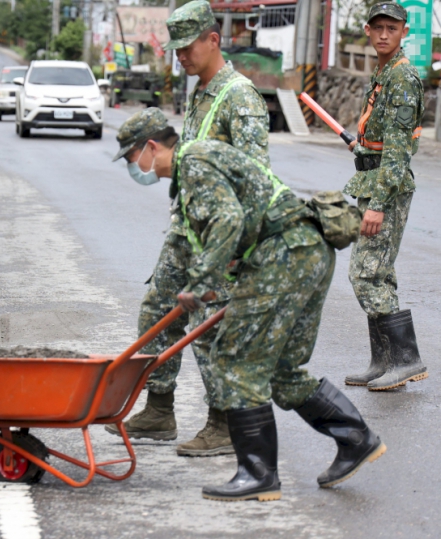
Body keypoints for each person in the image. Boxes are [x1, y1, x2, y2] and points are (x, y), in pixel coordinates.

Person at [122, 125, 385, 502]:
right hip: (306, 251)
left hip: (285, 255)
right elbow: (238, 223)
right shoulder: (199, 163)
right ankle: (356, 438)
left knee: (236, 359)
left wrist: (199, 284)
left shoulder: (192, 161)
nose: (139, 168)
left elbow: (227, 220)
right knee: (282, 372)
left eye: (135, 159)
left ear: (151, 147)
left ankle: (258, 474)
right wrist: (221, 279)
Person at [106, 0, 270, 459]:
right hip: (187, 227)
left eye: (187, 47)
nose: (180, 57)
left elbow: (256, 176)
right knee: (157, 310)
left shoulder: (240, 96)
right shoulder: (201, 93)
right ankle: (160, 409)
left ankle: (222, 423)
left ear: (213, 39)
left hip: (220, 233)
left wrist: (238, 248)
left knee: (207, 327)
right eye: (175, 49)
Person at [343, 1, 427, 391]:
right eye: (377, 27)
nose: (383, 34)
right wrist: (361, 147)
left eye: (391, 28)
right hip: (373, 177)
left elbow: (398, 148)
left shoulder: (402, 76)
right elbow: (380, 138)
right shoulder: (382, 72)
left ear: (403, 32)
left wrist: (378, 205)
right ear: (367, 29)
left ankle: (406, 361)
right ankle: (383, 362)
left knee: (364, 274)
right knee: (380, 274)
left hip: (386, 189)